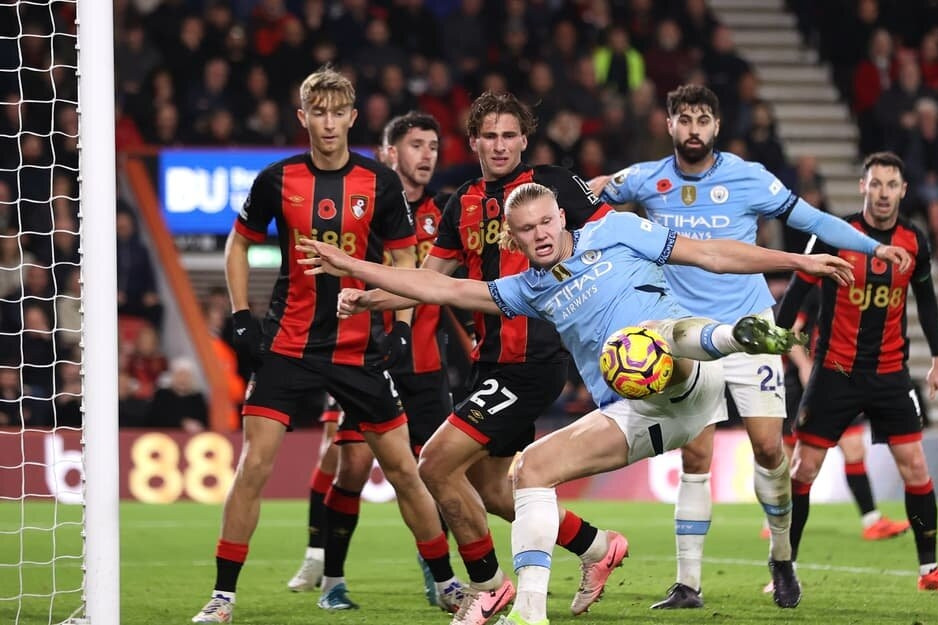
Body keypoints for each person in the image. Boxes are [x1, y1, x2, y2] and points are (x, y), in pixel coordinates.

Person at [296, 181, 855, 625]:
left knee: (651, 338)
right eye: (526, 229)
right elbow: (441, 288)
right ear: (513, 239)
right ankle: (529, 611)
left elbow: (708, 253)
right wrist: (355, 271)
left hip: (692, 373)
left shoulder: (617, 230)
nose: (539, 234)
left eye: (546, 221)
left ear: (562, 217)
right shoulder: (527, 289)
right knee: (530, 470)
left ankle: (734, 336)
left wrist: (796, 261)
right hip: (640, 414)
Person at [588, 84, 912, 610]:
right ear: (669, 125)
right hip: (684, 333)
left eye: (703, 120)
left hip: (750, 329)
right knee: (696, 454)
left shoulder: (750, 177)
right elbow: (586, 196)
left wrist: (874, 246)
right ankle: (688, 584)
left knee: (768, 449)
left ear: (717, 126)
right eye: (684, 119)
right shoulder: (645, 178)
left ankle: (782, 559)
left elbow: (812, 220)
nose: (694, 129)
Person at [191, 66, 458, 624]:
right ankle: (223, 597)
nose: (329, 123)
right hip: (288, 345)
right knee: (253, 466)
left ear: (353, 118)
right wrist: (240, 316)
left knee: (404, 470)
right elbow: (238, 246)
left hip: (359, 350)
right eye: (319, 113)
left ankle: (448, 583)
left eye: (339, 113)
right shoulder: (276, 179)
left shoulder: (378, 183)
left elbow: (405, 258)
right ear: (303, 117)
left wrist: (401, 325)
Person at [347, 92, 622, 625]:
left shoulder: (553, 185)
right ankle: (598, 546)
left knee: (435, 462)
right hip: (489, 363)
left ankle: (488, 587)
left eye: (509, 135)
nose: (499, 146)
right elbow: (428, 281)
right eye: (489, 136)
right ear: (473, 141)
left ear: (525, 139)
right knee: (494, 490)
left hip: (534, 360)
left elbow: (612, 239)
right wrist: (370, 298)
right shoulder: (462, 203)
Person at [285, 111, 466, 612]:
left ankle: (437, 574)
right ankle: (330, 578)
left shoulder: (444, 214)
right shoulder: (363, 209)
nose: (426, 155)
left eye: (433, 146)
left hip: (426, 367)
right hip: (364, 358)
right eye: (415, 145)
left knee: (437, 472)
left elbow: (456, 286)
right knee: (352, 466)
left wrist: (473, 339)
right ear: (389, 153)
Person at [776, 151, 938, 592]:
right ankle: (784, 566)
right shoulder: (833, 234)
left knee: (916, 466)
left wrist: (937, 357)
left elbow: (926, 301)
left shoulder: (915, 241)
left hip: (890, 374)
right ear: (863, 186)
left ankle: (929, 569)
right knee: (803, 470)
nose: (884, 193)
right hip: (834, 371)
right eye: (876, 183)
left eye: (892, 185)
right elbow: (797, 290)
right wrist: (775, 342)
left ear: (903, 191)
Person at [770, 286, 910, 546]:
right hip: (801, 384)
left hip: (836, 380)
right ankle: (777, 519)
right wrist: (804, 366)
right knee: (790, 456)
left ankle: (872, 521)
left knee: (854, 447)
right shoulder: (810, 288)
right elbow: (790, 331)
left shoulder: (852, 288)